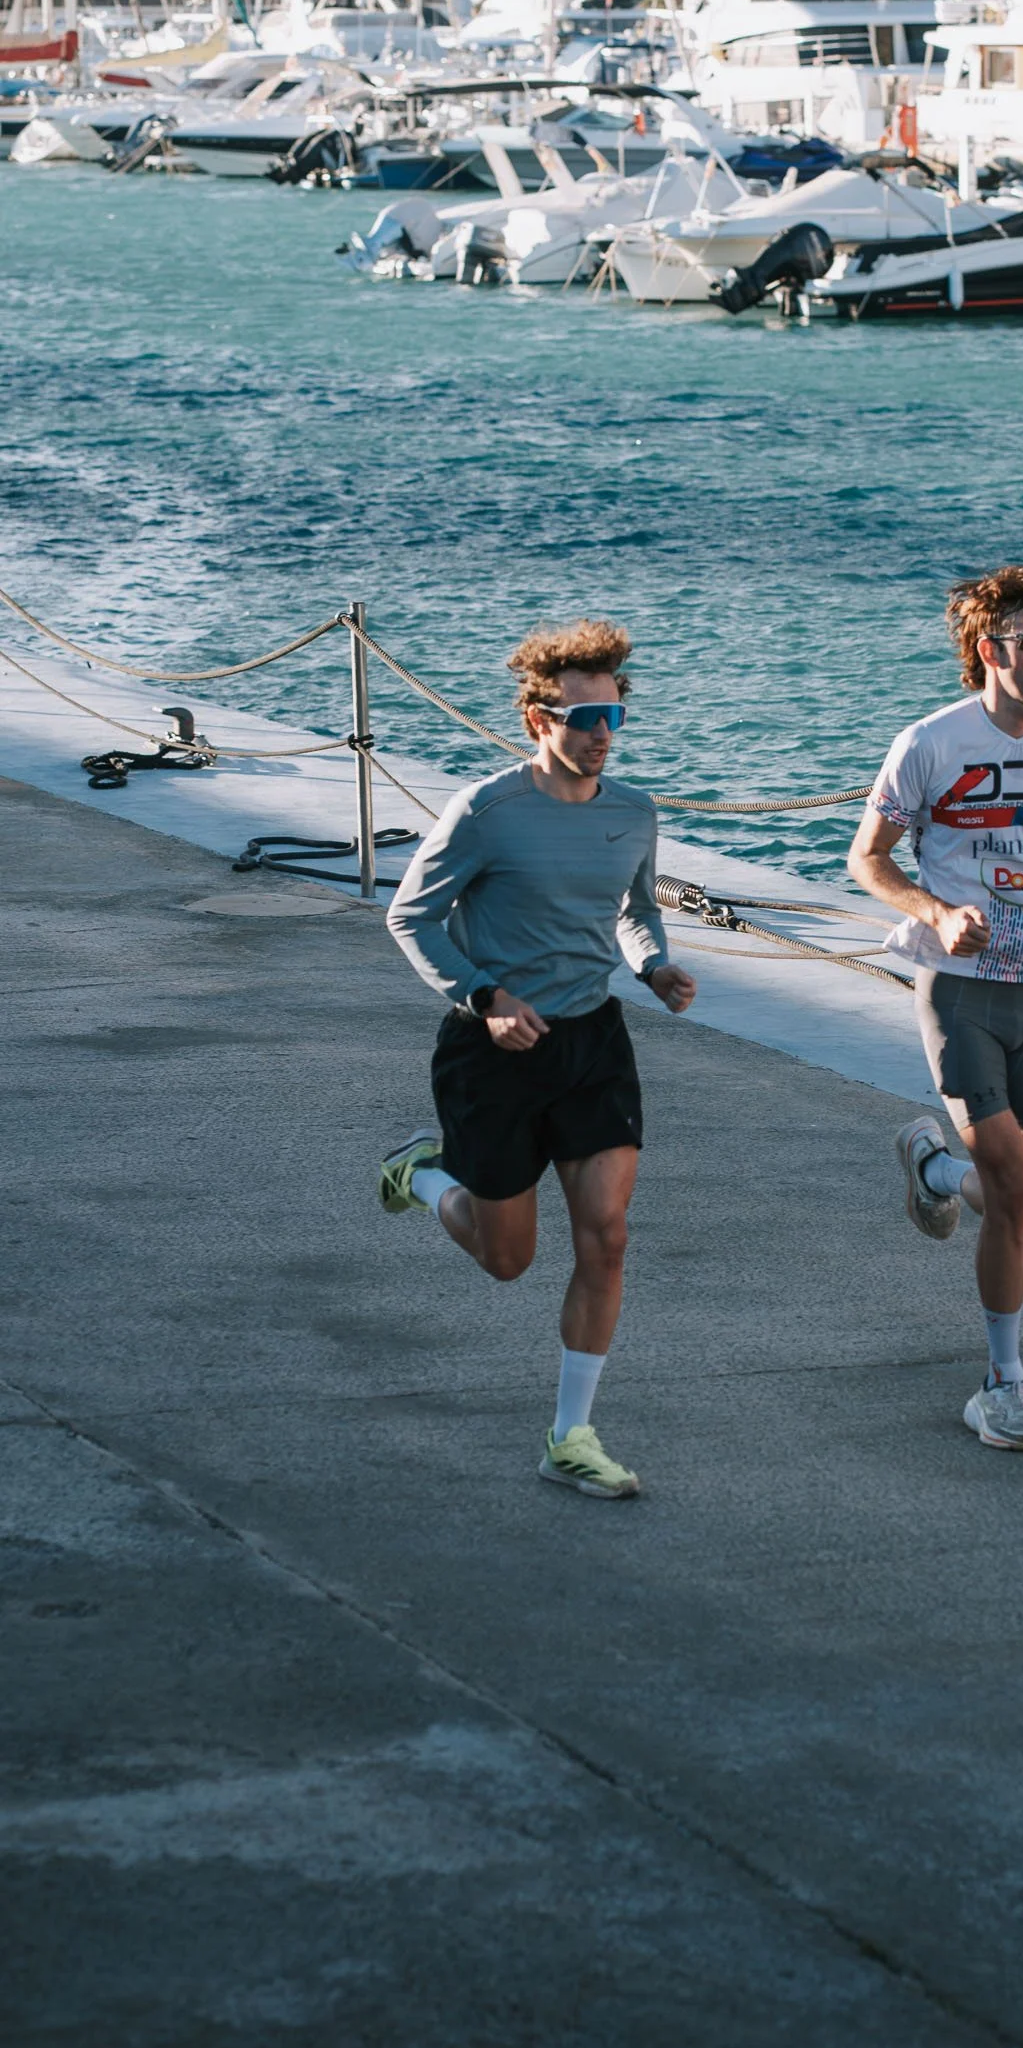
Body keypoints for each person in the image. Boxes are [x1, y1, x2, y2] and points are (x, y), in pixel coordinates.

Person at [378, 618, 695, 1500]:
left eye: (614, 719)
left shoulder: (632, 812)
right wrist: (484, 998)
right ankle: (427, 1176)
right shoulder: (486, 811)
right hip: (494, 1054)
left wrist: (653, 965)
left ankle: (570, 1435)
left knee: (607, 1236)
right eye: (583, 719)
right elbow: (411, 918)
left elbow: (633, 911)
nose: (601, 736)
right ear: (536, 720)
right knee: (506, 1258)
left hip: (593, 1043)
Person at [847, 564, 1023, 1454]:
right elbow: (868, 858)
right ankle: (1002, 1385)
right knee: (1008, 1193)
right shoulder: (928, 744)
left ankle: (930, 1171)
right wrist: (933, 912)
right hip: (959, 994)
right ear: (987, 651)